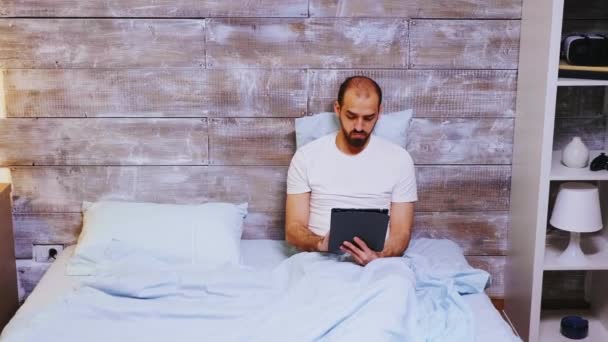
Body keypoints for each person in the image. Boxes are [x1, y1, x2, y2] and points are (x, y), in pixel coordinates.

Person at [285, 76, 417, 266]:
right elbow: (293, 229)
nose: (359, 126)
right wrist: (320, 243)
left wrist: (378, 258)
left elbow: (401, 234)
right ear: (337, 109)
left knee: (397, 288)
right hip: (319, 259)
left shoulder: (400, 159)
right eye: (351, 116)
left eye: (368, 118)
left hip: (379, 261)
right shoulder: (306, 157)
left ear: (379, 112)